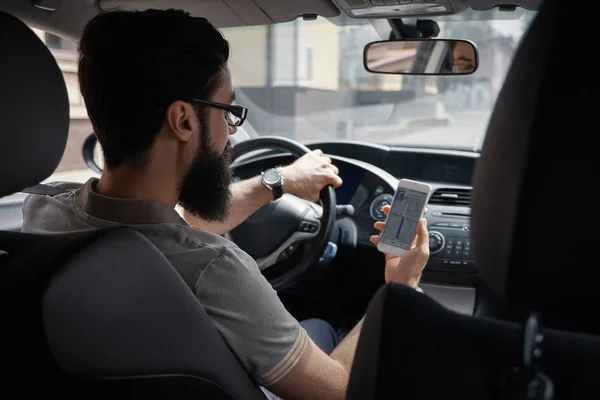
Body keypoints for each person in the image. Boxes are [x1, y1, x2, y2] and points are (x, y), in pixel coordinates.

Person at [21, 9, 430, 400]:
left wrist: (280, 181)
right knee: (322, 327)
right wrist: (397, 288)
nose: (231, 133)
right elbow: (341, 390)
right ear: (182, 120)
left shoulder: (42, 214)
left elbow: (173, 230)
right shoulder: (213, 268)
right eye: (229, 112)